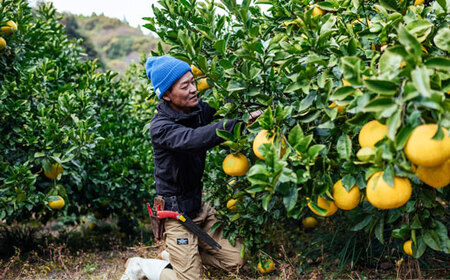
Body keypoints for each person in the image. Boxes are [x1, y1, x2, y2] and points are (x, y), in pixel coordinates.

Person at [145, 56, 248, 280]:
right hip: (176, 216)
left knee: (237, 260)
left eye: (193, 82)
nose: (194, 90)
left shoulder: (197, 110)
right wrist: (236, 124)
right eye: (185, 86)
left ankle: (180, 258)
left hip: (199, 208)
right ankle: (149, 268)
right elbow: (193, 139)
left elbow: (227, 103)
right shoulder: (160, 127)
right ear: (166, 94)